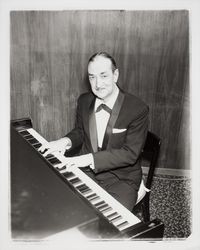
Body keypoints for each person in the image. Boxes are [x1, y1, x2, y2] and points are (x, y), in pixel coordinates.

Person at [39, 52, 149, 211]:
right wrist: (65, 141)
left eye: (103, 76)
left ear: (115, 75)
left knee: (109, 227)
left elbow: (130, 154)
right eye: (92, 77)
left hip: (121, 179)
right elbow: (80, 132)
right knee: (63, 207)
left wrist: (88, 159)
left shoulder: (137, 109)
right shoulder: (84, 101)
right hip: (87, 172)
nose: (98, 84)